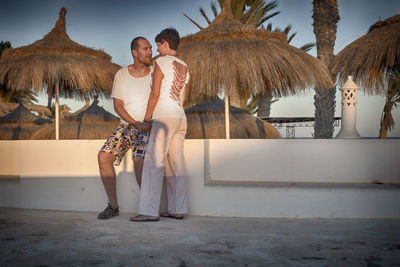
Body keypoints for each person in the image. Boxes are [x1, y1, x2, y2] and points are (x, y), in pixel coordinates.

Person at [131, 28, 189, 222]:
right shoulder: (184, 66)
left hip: (164, 116)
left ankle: (148, 211)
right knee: (176, 164)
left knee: (153, 163)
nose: (156, 49)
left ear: (165, 43)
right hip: (180, 117)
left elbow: (155, 94)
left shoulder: (161, 63)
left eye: (157, 45)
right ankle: (177, 209)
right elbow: (183, 98)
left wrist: (147, 119)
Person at [97, 37, 153, 220]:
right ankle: (113, 206)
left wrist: (147, 122)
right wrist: (134, 123)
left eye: (151, 48)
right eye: (146, 48)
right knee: (104, 156)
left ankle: (148, 208)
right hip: (128, 126)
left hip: (148, 126)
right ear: (134, 53)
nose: (150, 52)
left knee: (139, 161)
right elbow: (118, 105)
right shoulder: (121, 74)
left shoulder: (155, 73)